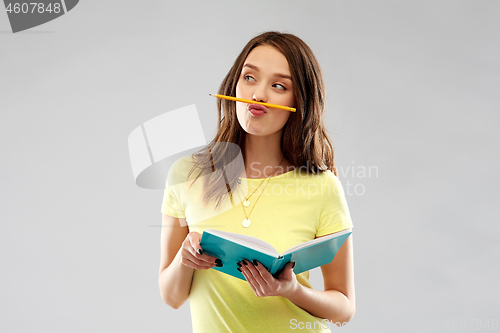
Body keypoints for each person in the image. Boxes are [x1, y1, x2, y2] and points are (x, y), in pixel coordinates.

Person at [158, 31, 355, 332]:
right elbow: (171, 297)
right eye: (249, 78)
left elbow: (344, 309)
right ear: (234, 85)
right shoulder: (186, 175)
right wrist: (184, 260)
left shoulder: (322, 187)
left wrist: (292, 291)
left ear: (298, 101)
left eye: (278, 86)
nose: (258, 95)